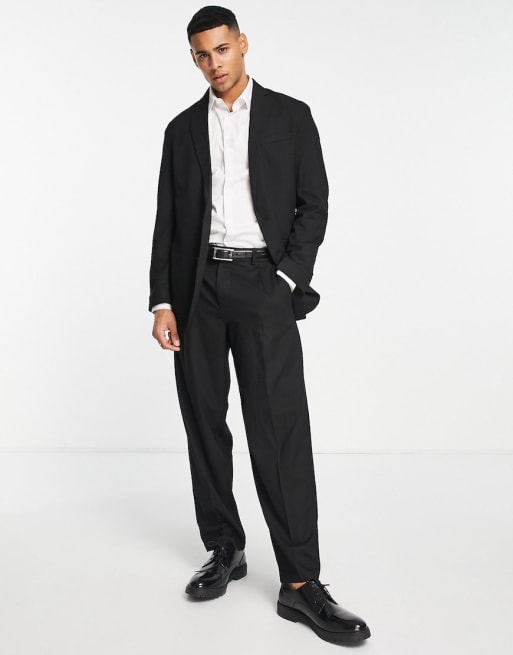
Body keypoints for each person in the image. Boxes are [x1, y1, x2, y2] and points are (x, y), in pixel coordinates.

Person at [149, 6, 370, 645]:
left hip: (263, 285)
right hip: (197, 289)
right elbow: (167, 219)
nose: (213, 63)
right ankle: (225, 547)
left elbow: (314, 204)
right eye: (201, 54)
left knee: (279, 430)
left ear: (242, 44)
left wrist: (286, 279)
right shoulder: (181, 130)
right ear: (193, 58)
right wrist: (163, 301)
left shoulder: (290, 116)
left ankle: (300, 582)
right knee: (205, 424)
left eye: (221, 49)